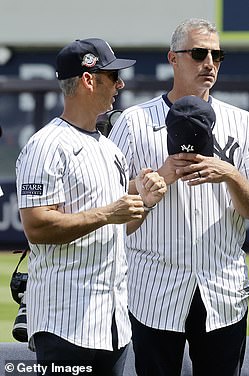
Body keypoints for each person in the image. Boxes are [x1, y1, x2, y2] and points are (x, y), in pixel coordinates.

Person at [108, 18, 249, 376]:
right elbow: (113, 217)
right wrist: (156, 182)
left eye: (217, 55)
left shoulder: (243, 123)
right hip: (153, 287)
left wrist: (229, 174)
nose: (209, 63)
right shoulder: (133, 122)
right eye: (198, 54)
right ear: (173, 58)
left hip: (222, 288)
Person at [15, 38, 166, 375]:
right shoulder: (46, 145)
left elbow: (118, 226)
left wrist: (144, 203)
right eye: (112, 76)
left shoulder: (109, 149)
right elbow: (37, 227)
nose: (120, 84)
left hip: (112, 323)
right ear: (88, 79)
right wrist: (108, 213)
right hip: (64, 321)